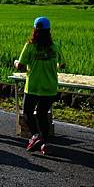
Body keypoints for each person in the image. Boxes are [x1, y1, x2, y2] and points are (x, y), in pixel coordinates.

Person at [15, 17, 65, 155]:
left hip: (33, 86)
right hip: (50, 87)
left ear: (35, 30)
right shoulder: (55, 47)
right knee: (42, 114)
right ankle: (44, 143)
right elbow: (63, 64)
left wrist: (15, 63)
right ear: (49, 31)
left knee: (27, 113)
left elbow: (20, 65)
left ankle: (36, 136)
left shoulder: (30, 46)